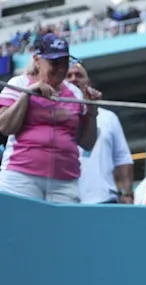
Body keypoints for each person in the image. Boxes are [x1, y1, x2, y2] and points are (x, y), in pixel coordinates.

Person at [0, 34, 99, 203]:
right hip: (21, 174)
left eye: (65, 62)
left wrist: (92, 111)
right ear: (37, 60)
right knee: (19, 227)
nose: (61, 69)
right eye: (54, 63)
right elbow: (5, 127)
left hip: (65, 179)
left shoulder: (74, 94)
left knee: (61, 229)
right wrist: (27, 94)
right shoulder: (19, 83)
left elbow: (87, 143)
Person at [66, 62, 134, 204]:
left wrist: (128, 194)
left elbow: (123, 158)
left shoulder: (108, 117)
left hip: (104, 198)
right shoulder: (56, 115)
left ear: (88, 82)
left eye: (79, 75)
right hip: (66, 199)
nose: (73, 79)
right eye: (68, 76)